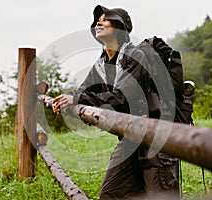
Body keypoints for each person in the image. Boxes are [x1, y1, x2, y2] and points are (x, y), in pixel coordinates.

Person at [52, 5, 179, 199]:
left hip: (156, 136)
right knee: (111, 193)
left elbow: (122, 97)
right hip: (130, 135)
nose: (99, 22)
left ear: (120, 26)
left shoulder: (136, 56)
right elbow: (86, 90)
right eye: (97, 20)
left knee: (159, 195)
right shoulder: (103, 63)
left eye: (106, 18)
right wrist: (66, 98)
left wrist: (77, 99)